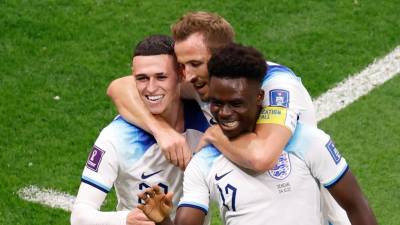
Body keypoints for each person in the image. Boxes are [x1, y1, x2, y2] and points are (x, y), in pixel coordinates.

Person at [107, 11, 349, 224]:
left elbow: (262, 156)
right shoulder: (203, 80)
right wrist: (162, 130)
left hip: (309, 213)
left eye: (195, 63)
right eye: (181, 66)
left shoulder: (276, 86)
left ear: (223, 56)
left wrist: (215, 135)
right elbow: (120, 87)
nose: (187, 76)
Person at [137, 43, 378, 225]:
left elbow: (356, 206)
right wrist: (162, 220)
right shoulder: (203, 162)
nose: (225, 113)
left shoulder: (309, 142)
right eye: (217, 103)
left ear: (259, 98)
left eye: (236, 103)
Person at [70, 35, 209, 225]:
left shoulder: (208, 115)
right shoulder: (116, 138)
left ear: (181, 74)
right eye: (142, 78)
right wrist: (126, 219)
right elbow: (79, 216)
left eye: (161, 77)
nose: (151, 88)